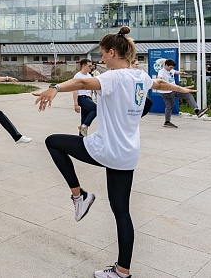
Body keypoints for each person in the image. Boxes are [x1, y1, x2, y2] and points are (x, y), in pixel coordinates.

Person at [34, 26, 198, 278]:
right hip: (127, 154)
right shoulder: (140, 76)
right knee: (122, 211)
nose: (101, 60)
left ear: (112, 52)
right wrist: (182, 90)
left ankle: (79, 196)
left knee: (53, 142)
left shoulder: (113, 77)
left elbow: (80, 81)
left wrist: (54, 88)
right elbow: (160, 82)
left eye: (102, 54)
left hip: (105, 148)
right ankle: (122, 271)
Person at [157, 59, 207, 128]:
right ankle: (167, 122)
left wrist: (182, 73)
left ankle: (197, 111)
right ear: (165, 65)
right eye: (170, 67)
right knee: (170, 106)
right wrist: (159, 81)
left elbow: (176, 72)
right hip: (166, 92)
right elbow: (159, 78)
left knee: (187, 94)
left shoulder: (170, 70)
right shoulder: (161, 72)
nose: (171, 69)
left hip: (174, 89)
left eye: (172, 67)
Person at [73, 59, 97, 137]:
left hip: (88, 98)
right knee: (96, 108)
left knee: (84, 118)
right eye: (89, 66)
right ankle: (85, 126)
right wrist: (76, 104)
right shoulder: (78, 76)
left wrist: (91, 98)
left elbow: (90, 89)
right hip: (82, 97)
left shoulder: (89, 76)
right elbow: (75, 90)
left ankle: (81, 138)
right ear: (83, 66)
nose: (91, 67)